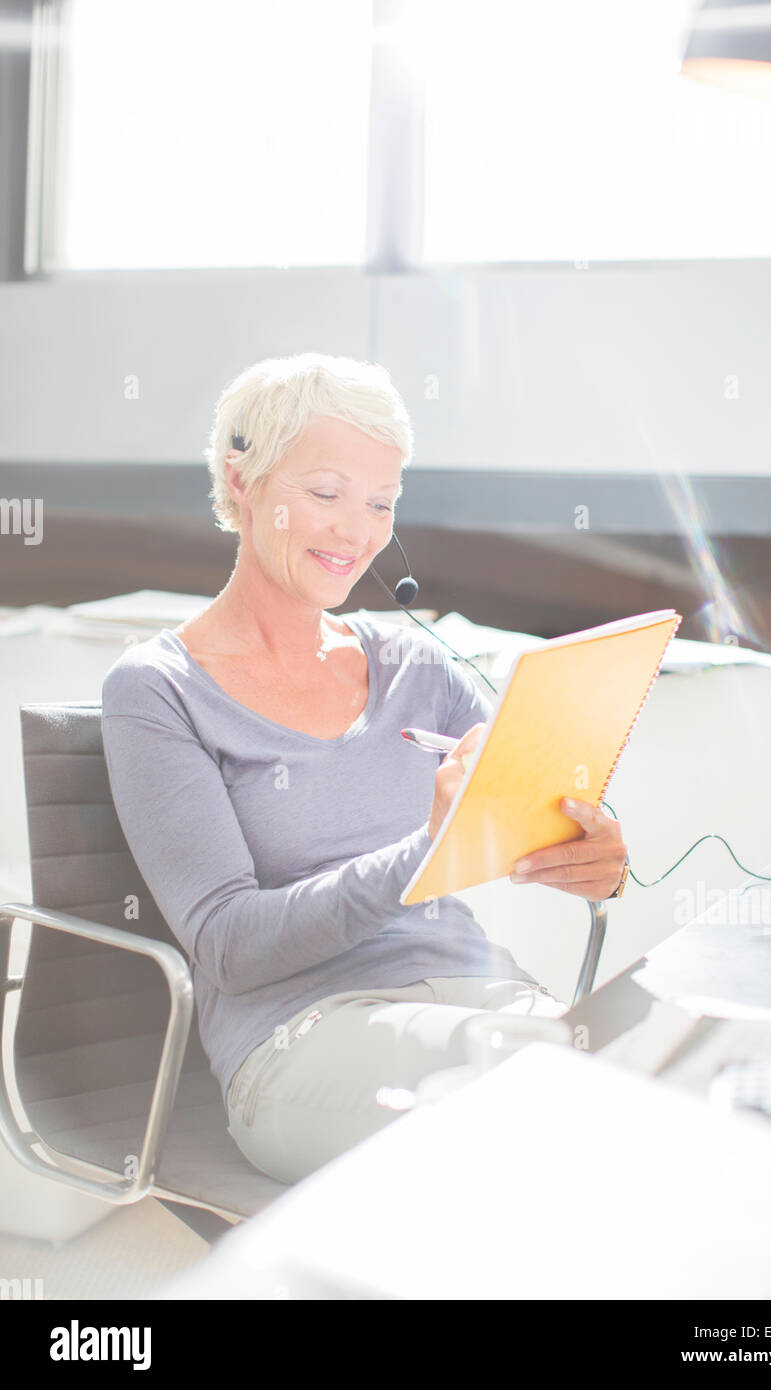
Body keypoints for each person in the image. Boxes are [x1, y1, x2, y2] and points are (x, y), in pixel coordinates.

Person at [101, 353, 628, 1185]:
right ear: (241, 481)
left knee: (644, 1078)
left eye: (381, 504)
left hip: (481, 1000)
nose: (358, 531)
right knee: (531, 1104)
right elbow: (229, 947)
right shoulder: (156, 691)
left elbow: (535, 803)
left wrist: (590, 851)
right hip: (301, 1038)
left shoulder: (418, 666)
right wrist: (425, 850)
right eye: (326, 493)